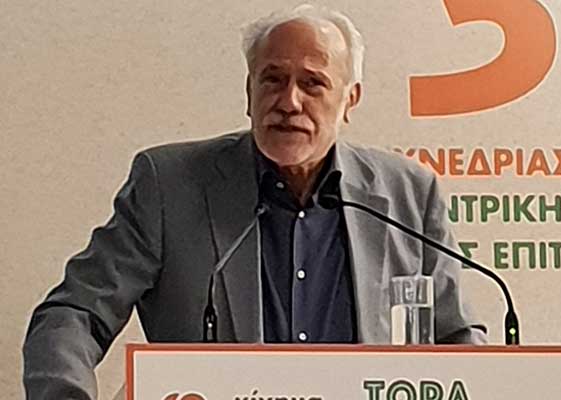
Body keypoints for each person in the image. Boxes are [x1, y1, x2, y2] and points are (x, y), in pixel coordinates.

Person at [23, 4, 487, 399]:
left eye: (313, 83)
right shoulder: (170, 185)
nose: (289, 101)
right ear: (249, 93)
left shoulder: (407, 194)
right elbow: (74, 313)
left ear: (350, 100)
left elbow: (458, 339)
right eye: (273, 79)